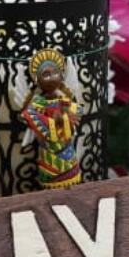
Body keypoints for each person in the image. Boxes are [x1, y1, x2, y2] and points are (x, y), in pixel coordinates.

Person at [20, 48, 82, 189]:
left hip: (66, 147)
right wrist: (52, 122)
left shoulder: (64, 99)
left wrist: (65, 118)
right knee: (51, 183)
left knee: (71, 182)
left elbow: (75, 111)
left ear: (61, 75)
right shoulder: (38, 103)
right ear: (37, 80)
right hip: (48, 149)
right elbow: (28, 115)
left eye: (55, 73)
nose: (52, 77)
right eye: (46, 75)